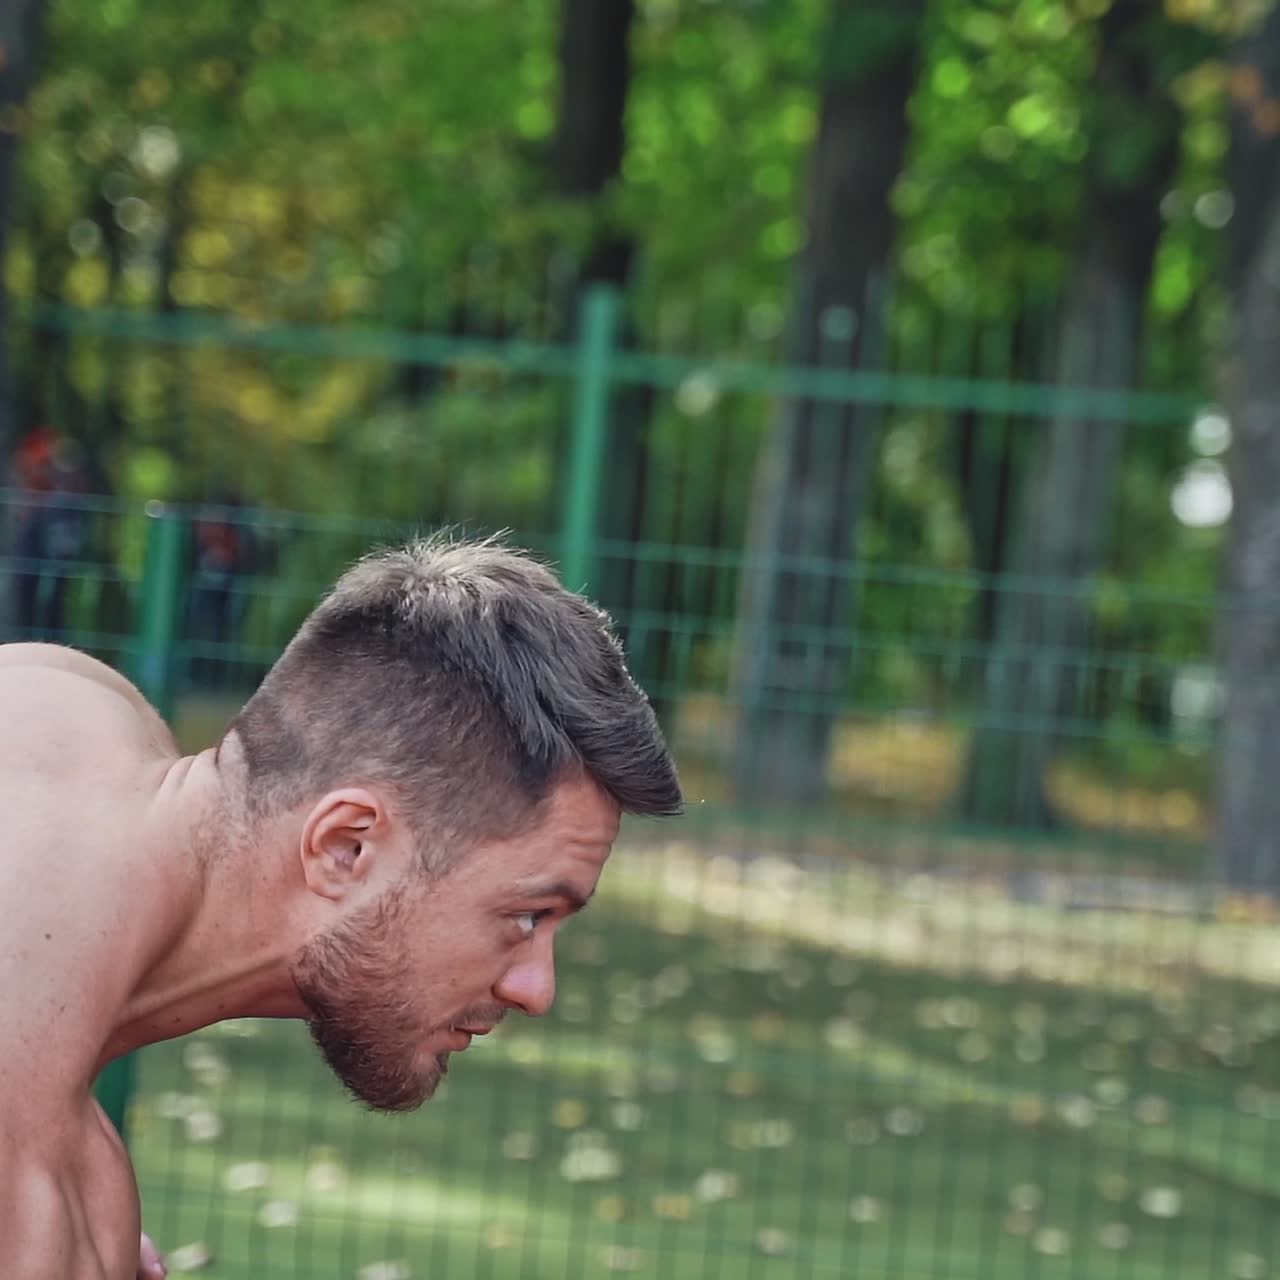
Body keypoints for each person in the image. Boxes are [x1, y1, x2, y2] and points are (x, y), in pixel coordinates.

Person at [0, 534, 683, 1280]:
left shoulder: (61, 704)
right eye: (525, 917)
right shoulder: (39, 1189)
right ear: (346, 848)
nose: (535, 989)